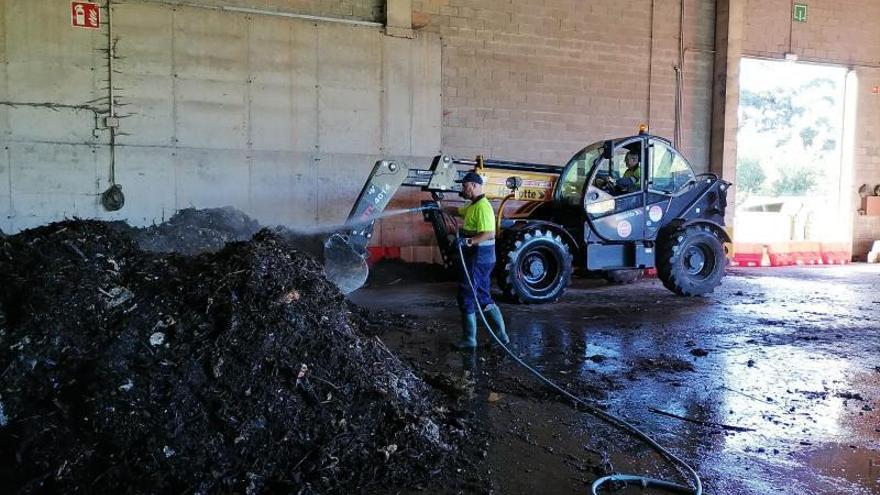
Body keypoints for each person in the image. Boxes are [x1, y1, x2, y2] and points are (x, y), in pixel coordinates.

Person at [443, 171, 509, 348]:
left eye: (465, 187)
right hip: (479, 257)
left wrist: (468, 241)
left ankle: (469, 339)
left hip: (480, 256)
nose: (463, 190)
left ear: (474, 185)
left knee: (466, 295)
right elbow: (457, 211)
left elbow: (489, 233)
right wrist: (439, 205)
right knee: (482, 295)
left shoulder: (483, 207)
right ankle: (501, 336)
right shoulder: (473, 205)